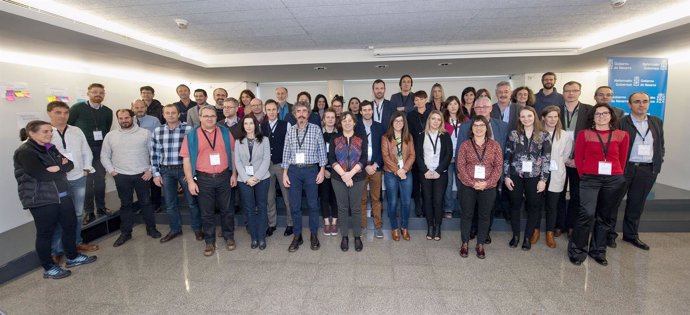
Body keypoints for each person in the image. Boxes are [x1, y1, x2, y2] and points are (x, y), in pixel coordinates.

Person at [14, 120, 98, 279]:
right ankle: (49, 267)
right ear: (32, 133)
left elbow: (70, 165)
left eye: (50, 131)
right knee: (45, 233)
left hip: (63, 195)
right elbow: (41, 175)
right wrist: (61, 167)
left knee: (70, 225)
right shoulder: (25, 151)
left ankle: (72, 257)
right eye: (45, 131)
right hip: (42, 199)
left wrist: (59, 168)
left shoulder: (50, 148)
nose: (50, 134)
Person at [569, 103, 629, 266]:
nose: (601, 116)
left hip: (613, 179)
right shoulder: (585, 134)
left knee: (605, 217)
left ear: (611, 116)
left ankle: (598, 251)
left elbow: (622, 159)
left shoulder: (622, 135)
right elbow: (579, 158)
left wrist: (617, 175)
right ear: (593, 117)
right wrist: (584, 176)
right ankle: (577, 250)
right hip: (590, 179)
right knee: (586, 214)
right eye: (597, 114)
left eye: (605, 113)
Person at [180, 105, 236, 257]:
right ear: (200, 117)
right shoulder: (191, 135)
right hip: (203, 179)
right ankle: (209, 242)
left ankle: (229, 236)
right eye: (206, 116)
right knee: (206, 213)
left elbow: (232, 154)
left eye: (212, 115)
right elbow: (186, 159)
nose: (209, 118)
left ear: (216, 118)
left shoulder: (225, 132)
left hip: (224, 176)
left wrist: (234, 174)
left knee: (227, 210)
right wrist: (191, 182)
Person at [46, 102, 99, 264]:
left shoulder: (76, 131)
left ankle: (76, 243)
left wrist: (87, 168)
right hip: (57, 182)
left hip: (78, 178)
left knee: (76, 214)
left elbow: (85, 150)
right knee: (57, 216)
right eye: (58, 112)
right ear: (49, 113)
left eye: (65, 113)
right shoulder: (45, 132)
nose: (62, 116)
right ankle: (55, 250)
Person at [611, 92, 664, 250]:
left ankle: (631, 235)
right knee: (613, 203)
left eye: (645, 101)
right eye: (637, 102)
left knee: (636, 204)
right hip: (625, 168)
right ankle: (609, 235)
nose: (641, 104)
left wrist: (658, 162)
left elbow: (660, 144)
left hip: (647, 170)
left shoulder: (656, 121)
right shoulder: (621, 122)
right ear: (629, 105)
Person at [101, 109, 161, 247]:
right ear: (118, 119)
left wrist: (150, 170)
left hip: (142, 175)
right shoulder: (111, 136)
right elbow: (104, 155)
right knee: (125, 204)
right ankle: (126, 233)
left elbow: (154, 153)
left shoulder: (145, 133)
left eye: (126, 117)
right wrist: (112, 171)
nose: (124, 120)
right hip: (121, 176)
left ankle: (151, 228)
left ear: (132, 118)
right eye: (121, 118)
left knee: (146, 203)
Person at [456, 96, 508, 244]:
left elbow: (500, 160)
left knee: (487, 212)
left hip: (490, 181)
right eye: (479, 107)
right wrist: (467, 180)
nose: (482, 109)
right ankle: (471, 232)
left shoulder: (502, 126)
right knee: (468, 211)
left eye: (485, 106)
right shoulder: (465, 127)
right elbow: (460, 158)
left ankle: (484, 234)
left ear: (491, 108)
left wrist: (489, 182)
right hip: (468, 181)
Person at [151, 104, 203, 243]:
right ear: (163, 114)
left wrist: (192, 172)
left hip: (184, 169)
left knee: (192, 202)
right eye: (167, 113)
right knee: (170, 203)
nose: (170, 115)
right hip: (166, 170)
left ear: (179, 114)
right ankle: (175, 229)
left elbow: (195, 152)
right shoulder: (157, 131)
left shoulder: (189, 129)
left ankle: (197, 229)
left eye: (173, 112)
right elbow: (154, 153)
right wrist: (156, 173)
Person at [282, 101, 328, 252]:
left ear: (308, 114)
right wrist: (285, 173)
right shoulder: (290, 130)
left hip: (311, 171)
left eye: (304, 111)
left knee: (313, 205)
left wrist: (321, 170)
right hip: (294, 171)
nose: (301, 114)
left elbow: (322, 151)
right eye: (298, 111)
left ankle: (314, 235)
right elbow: (286, 152)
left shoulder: (315, 129)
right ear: (294, 114)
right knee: (295, 206)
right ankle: (297, 236)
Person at [503, 106, 551, 250]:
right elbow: (507, 156)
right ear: (519, 118)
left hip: (535, 176)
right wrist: (506, 176)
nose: (526, 119)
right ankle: (516, 235)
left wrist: (544, 179)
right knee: (515, 205)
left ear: (534, 117)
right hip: (515, 175)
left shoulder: (544, 135)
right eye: (523, 116)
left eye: (529, 116)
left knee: (533, 207)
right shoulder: (514, 134)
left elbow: (546, 158)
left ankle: (527, 237)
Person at [457, 116, 503, 259]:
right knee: (467, 215)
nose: (478, 128)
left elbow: (498, 167)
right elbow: (461, 166)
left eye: (481, 125)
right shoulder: (465, 145)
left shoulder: (495, 145)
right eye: (475, 125)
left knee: (484, 216)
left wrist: (487, 183)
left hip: (488, 187)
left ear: (486, 128)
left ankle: (480, 244)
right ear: (471, 128)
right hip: (467, 186)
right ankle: (465, 243)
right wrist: (472, 182)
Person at [68, 83, 113, 225]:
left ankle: (101, 207)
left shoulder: (107, 111)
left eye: (101, 92)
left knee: (100, 180)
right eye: (94, 92)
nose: (98, 94)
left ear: (104, 94)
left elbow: (107, 127)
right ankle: (89, 211)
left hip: (100, 150)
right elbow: (70, 126)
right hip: (83, 151)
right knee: (87, 182)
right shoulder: (77, 108)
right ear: (88, 93)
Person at [328, 112, 368, 252]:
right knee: (343, 208)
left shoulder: (361, 138)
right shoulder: (335, 138)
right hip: (338, 178)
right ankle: (344, 237)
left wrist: (350, 174)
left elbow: (364, 158)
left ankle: (357, 237)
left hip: (357, 177)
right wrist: (344, 175)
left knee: (356, 208)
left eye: (350, 120)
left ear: (354, 122)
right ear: (341, 123)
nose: (347, 123)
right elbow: (331, 159)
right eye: (344, 120)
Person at [558, 81, 593, 238]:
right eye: (567, 91)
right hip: (559, 160)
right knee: (558, 194)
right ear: (563, 92)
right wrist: (563, 158)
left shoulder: (589, 111)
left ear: (580, 92)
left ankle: (572, 225)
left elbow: (592, 138)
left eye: (574, 90)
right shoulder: (556, 110)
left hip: (580, 161)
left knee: (576, 195)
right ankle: (558, 225)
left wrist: (577, 159)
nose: (571, 93)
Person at [234, 115, 271, 250]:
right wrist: (246, 178)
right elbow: (237, 161)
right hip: (244, 180)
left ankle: (261, 237)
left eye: (251, 123)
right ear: (243, 126)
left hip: (262, 178)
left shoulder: (264, 140)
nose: (249, 126)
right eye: (246, 123)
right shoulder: (238, 141)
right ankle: (254, 237)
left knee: (261, 207)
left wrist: (256, 177)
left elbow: (266, 160)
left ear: (256, 125)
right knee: (249, 209)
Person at [416, 110, 452, 241]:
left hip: (440, 173)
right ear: (429, 120)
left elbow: (448, 155)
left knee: (438, 200)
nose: (435, 121)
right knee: (427, 200)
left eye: (438, 119)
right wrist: (425, 170)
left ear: (441, 122)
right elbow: (418, 155)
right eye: (433, 119)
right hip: (425, 173)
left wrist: (438, 170)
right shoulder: (421, 135)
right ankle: (430, 226)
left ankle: (438, 227)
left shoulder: (445, 136)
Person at [261, 99, 295, 237]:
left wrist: (288, 164)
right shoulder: (261, 126)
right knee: (269, 197)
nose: (271, 112)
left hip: (282, 164)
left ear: (277, 110)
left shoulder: (285, 125)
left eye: (274, 109)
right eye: (268, 110)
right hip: (266, 166)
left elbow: (290, 145)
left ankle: (290, 224)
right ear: (265, 111)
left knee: (287, 197)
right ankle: (271, 224)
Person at [541, 106, 572, 248]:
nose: (552, 119)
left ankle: (550, 233)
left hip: (557, 172)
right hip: (539, 173)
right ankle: (535, 230)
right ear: (543, 118)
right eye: (549, 116)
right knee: (536, 203)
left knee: (552, 205)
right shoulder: (538, 133)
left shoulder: (565, 135)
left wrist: (556, 162)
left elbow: (565, 155)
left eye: (555, 116)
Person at [381, 112, 416, 241]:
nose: (398, 123)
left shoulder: (409, 137)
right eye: (396, 121)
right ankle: (394, 228)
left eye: (401, 121)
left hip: (407, 172)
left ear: (404, 123)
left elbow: (412, 155)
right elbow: (385, 157)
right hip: (391, 173)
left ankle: (404, 227)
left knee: (406, 202)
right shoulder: (386, 137)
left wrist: (405, 169)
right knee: (393, 202)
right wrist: (397, 170)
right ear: (391, 122)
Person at [355, 101, 385, 238]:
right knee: (361, 200)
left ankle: (378, 227)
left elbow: (382, 148)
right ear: (361, 112)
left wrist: (375, 164)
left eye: (369, 110)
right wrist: (365, 165)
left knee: (376, 198)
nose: (367, 112)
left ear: (372, 111)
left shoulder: (380, 127)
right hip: (361, 168)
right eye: (364, 110)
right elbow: (354, 149)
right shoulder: (356, 127)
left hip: (376, 169)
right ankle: (363, 226)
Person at [132, 99, 163, 213]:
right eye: (137, 107)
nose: (139, 110)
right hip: (137, 157)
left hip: (152, 154)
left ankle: (156, 205)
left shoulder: (154, 120)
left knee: (154, 181)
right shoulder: (130, 121)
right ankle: (144, 205)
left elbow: (159, 136)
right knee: (141, 184)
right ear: (133, 108)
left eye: (141, 107)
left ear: (146, 108)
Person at [443, 96, 468, 219]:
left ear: (459, 105)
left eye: (455, 104)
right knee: (448, 184)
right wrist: (449, 156)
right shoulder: (442, 121)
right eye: (450, 104)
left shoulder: (466, 120)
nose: (453, 106)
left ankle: (464, 208)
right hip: (448, 158)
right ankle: (448, 209)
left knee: (462, 183)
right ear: (446, 107)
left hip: (463, 158)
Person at [407, 90, 431, 218]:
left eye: (421, 99)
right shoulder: (410, 115)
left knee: (427, 181)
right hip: (415, 150)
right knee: (416, 180)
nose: (419, 102)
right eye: (416, 100)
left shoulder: (431, 114)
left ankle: (427, 206)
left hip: (430, 151)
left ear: (426, 99)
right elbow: (408, 134)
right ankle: (417, 205)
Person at [320, 109, 340, 236]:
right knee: (324, 197)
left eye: (332, 117)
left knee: (336, 197)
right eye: (328, 117)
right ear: (324, 120)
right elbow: (315, 153)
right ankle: (327, 222)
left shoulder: (340, 135)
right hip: (322, 171)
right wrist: (322, 170)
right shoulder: (318, 134)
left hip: (337, 171)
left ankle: (334, 222)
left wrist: (334, 170)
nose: (330, 119)